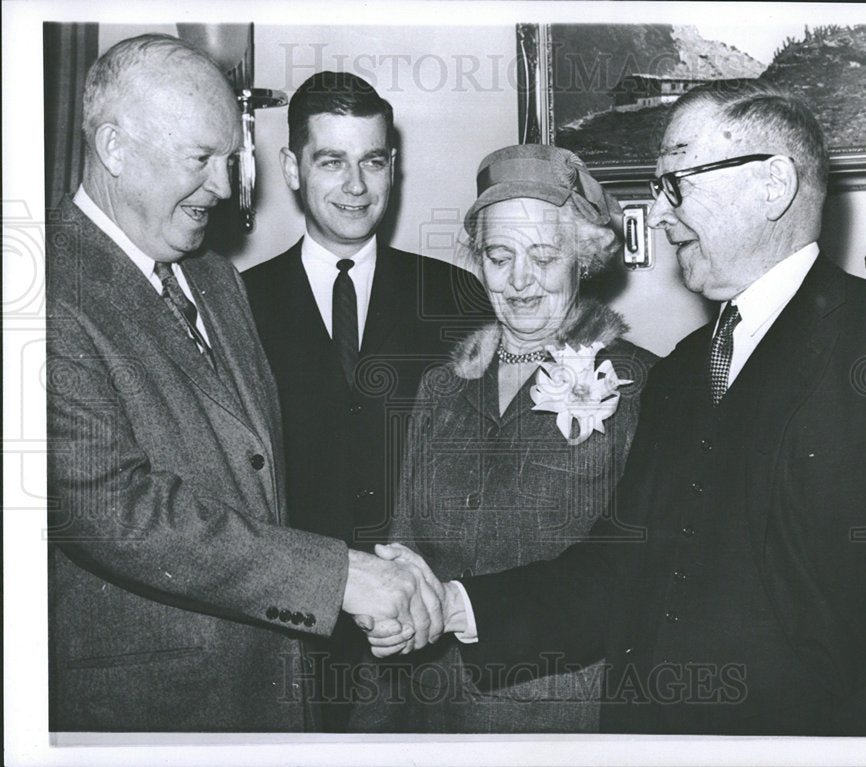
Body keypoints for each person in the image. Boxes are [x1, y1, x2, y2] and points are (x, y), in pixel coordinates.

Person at [370, 79, 866, 736]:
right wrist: (454, 604)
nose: (655, 215)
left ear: (773, 186)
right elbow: (619, 565)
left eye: (676, 182)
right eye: (498, 256)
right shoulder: (688, 367)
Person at [46, 34, 443, 732]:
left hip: (273, 687)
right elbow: (111, 507)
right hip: (149, 708)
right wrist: (340, 576)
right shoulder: (40, 291)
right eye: (201, 160)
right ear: (114, 148)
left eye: (229, 161)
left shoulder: (212, 276)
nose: (225, 188)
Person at [356, 144, 657, 732]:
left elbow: (633, 580)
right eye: (499, 255)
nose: (520, 281)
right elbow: (403, 554)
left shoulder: (639, 386)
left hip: (560, 719)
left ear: (584, 258)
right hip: (432, 712)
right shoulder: (441, 387)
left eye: (544, 256)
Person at [241, 71, 490, 729]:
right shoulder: (236, 306)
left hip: (425, 646)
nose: (356, 186)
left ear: (393, 167)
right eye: (332, 161)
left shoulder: (457, 297)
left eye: (372, 161)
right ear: (292, 168)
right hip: (289, 642)